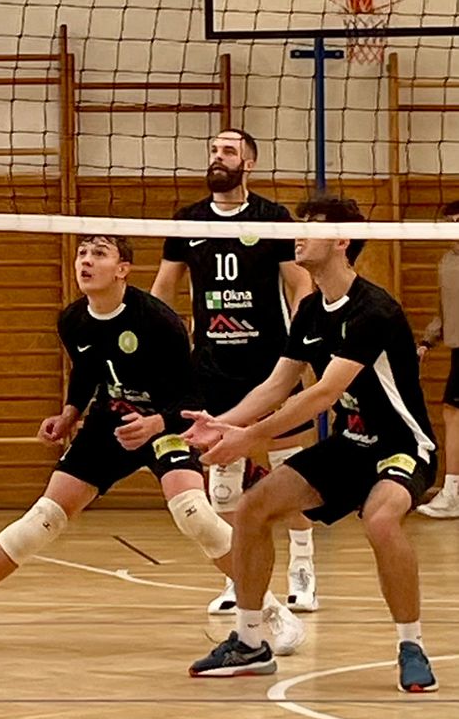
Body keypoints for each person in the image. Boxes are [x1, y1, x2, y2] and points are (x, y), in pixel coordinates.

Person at [0, 235, 300, 650]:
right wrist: (69, 413)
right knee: (44, 517)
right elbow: (86, 372)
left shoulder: (158, 320)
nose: (86, 261)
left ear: (122, 269)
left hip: (165, 424)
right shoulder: (73, 320)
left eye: (98, 254)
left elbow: (192, 397)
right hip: (109, 425)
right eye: (82, 253)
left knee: (195, 515)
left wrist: (155, 424)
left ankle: (272, 610)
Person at [186, 192, 438, 692]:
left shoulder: (374, 310)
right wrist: (221, 424)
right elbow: (277, 384)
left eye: (311, 225)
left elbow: (323, 394)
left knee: (380, 519)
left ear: (342, 240)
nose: (297, 234)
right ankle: (250, 641)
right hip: (350, 444)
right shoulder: (309, 310)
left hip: (402, 445)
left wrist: (250, 438)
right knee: (253, 509)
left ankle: (411, 645)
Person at [152, 128, 317, 633]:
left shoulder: (272, 217)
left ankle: (303, 565)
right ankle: (236, 574)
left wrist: (303, 346)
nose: (218, 157)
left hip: (269, 363)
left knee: (290, 473)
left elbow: (300, 284)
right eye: (213, 150)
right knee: (222, 483)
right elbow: (163, 290)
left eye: (228, 151)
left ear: (249, 163)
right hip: (212, 366)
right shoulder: (188, 220)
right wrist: (163, 348)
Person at [415, 200, 459, 518]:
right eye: (450, 222)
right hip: (458, 350)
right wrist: (426, 341)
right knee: (451, 414)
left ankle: (453, 492)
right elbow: (444, 311)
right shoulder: (447, 262)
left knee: (453, 414)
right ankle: (453, 491)